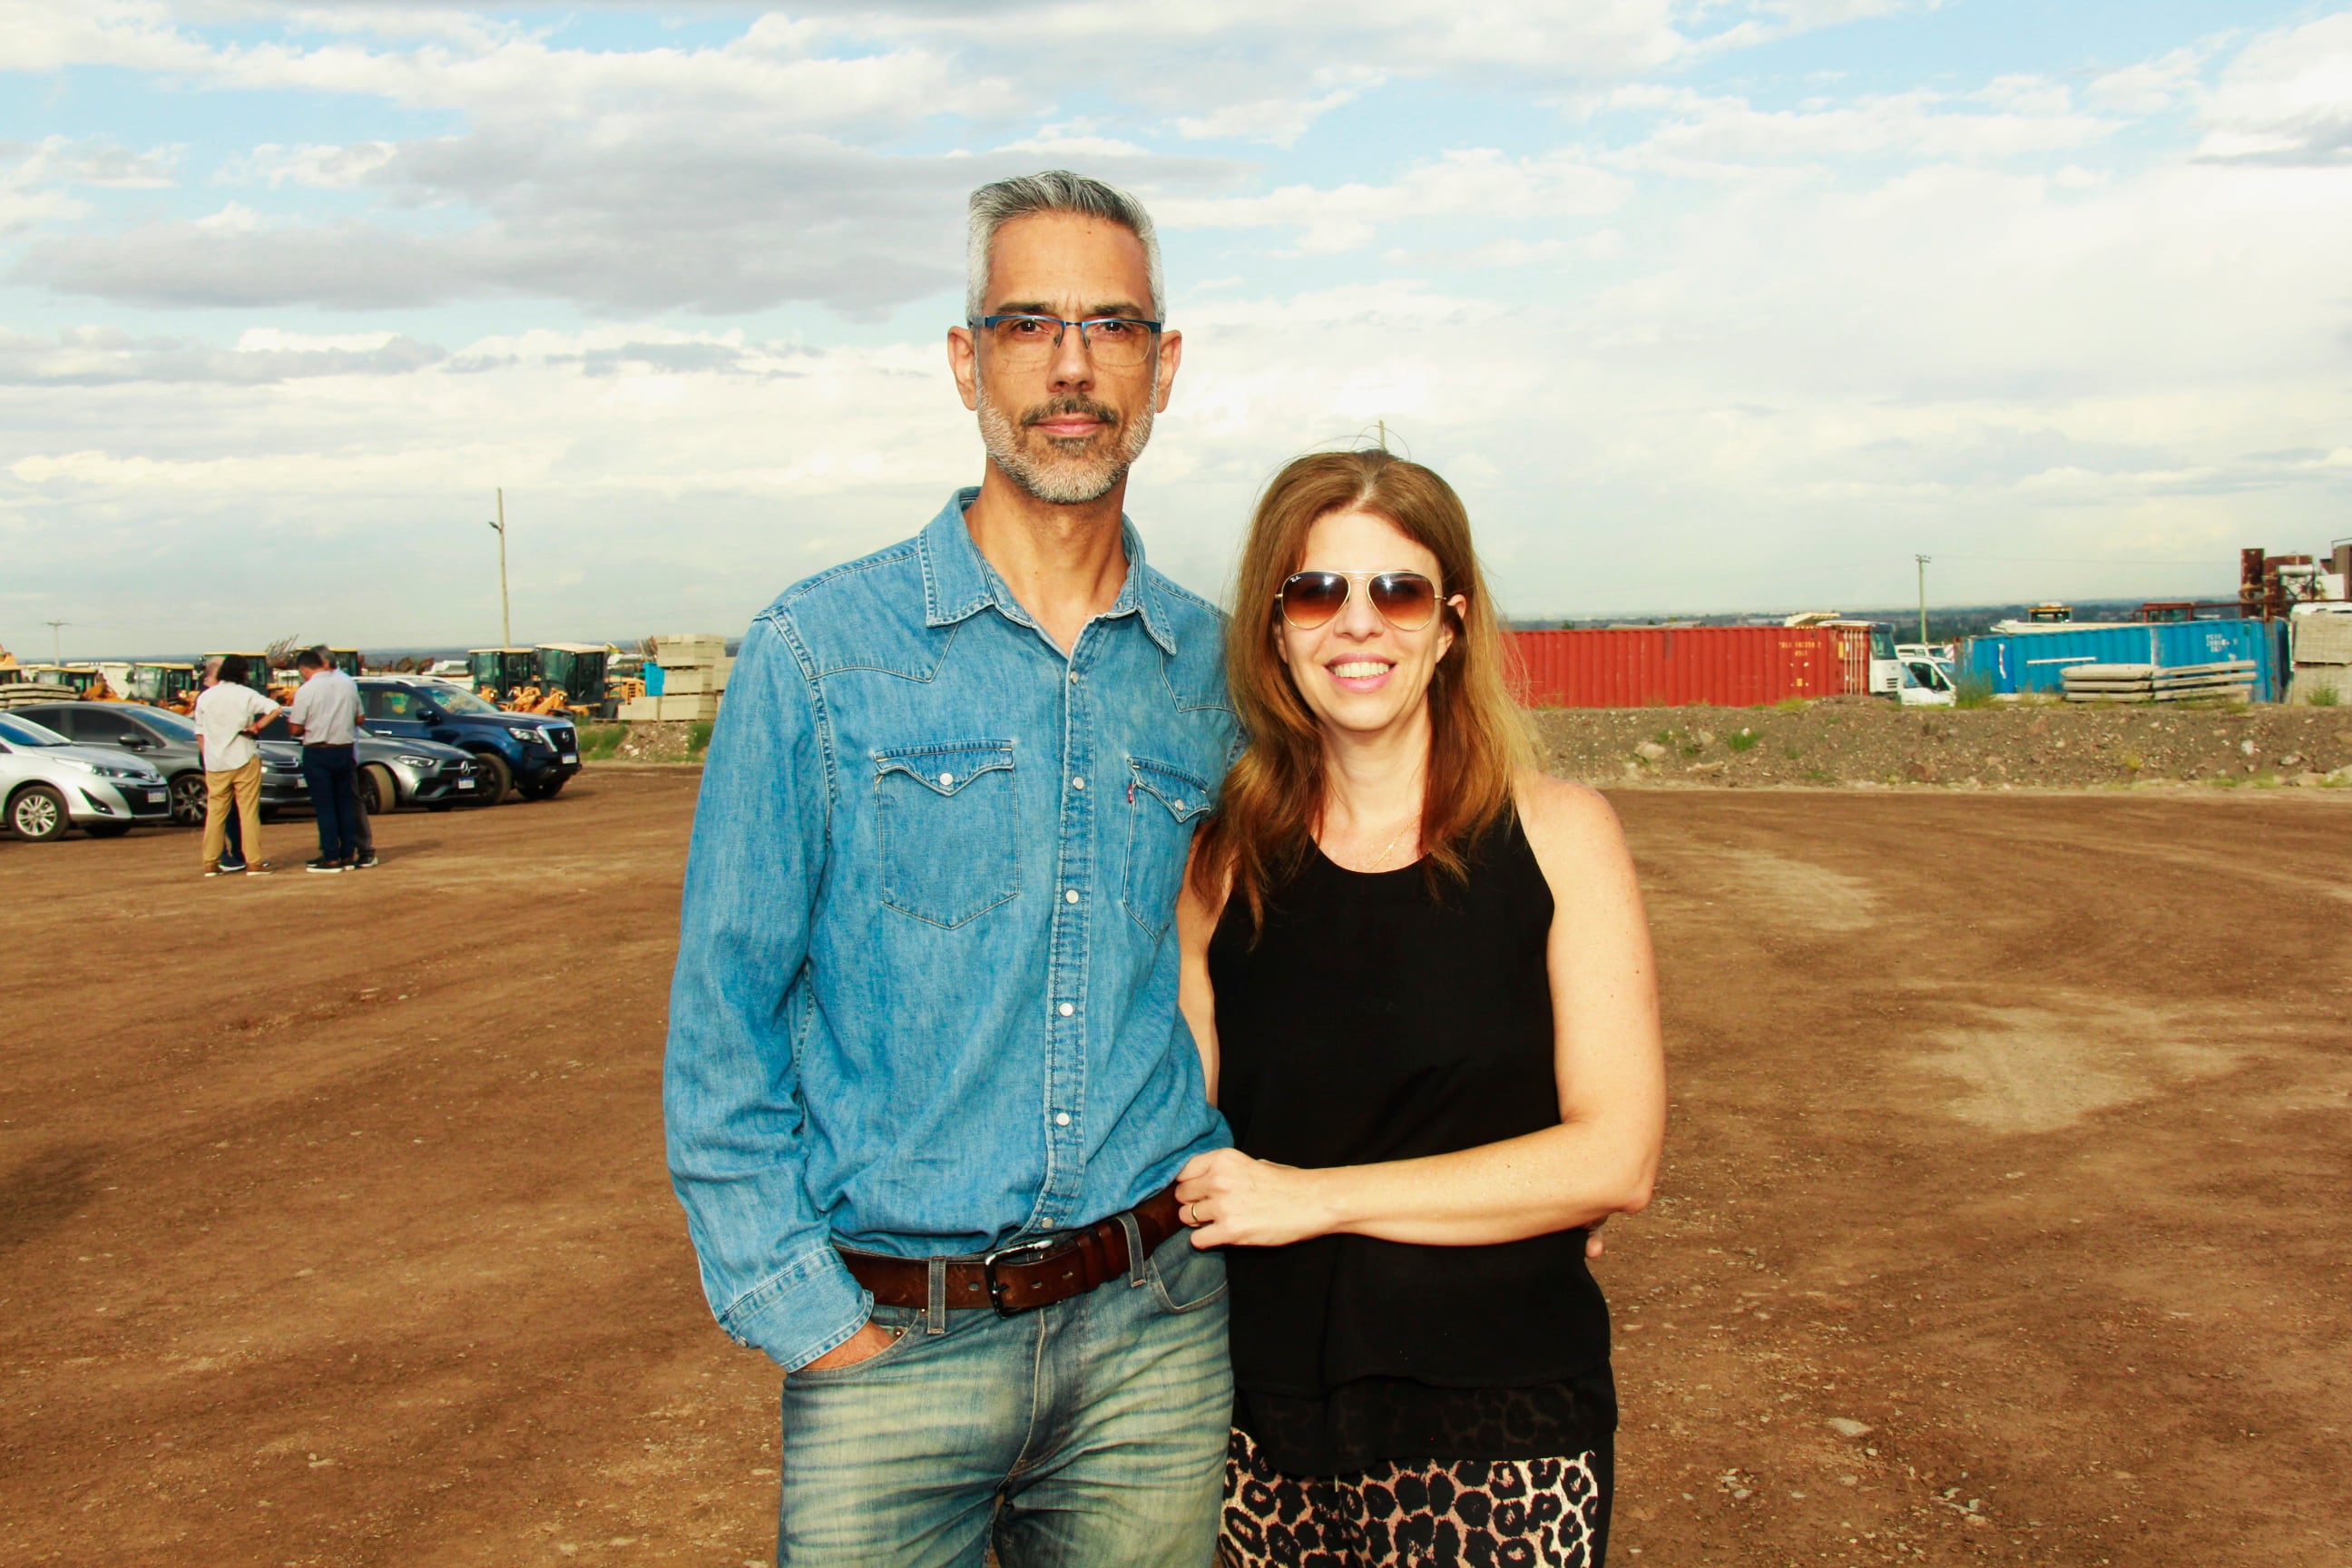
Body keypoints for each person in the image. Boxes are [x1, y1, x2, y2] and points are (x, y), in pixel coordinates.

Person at [665, 171, 1237, 1566]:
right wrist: (816, 1323)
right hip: (892, 1349)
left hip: (1155, 1344)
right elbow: (722, 1020)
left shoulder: (1217, 674)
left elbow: (1339, 938)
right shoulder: (818, 653)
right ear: (964, 360)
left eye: (1111, 325)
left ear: (1165, 368)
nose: (1071, 363)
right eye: (1029, 320)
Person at [1172, 451, 1667, 1568]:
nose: (1359, 625)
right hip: (1257, 1428)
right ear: (1275, 632)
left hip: (1497, 1427)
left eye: (1397, 591)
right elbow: (1171, 1140)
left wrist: (1312, 1200)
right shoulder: (1219, 869)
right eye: (1317, 592)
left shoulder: (1559, 838)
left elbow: (1615, 1159)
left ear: (1449, 628)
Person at [191, 654, 278, 877]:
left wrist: (208, 757)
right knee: (248, 811)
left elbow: (200, 732)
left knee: (216, 812)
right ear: (243, 672)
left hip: (216, 762)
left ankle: (211, 862)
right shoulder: (246, 694)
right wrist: (257, 727)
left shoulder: (206, 697)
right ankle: (253, 861)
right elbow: (275, 708)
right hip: (243, 757)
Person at [287, 648, 363, 872]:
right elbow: (360, 718)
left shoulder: (307, 690)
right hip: (344, 748)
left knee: (325, 806)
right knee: (344, 803)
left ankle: (331, 856)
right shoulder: (347, 684)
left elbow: (296, 727)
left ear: (304, 669)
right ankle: (348, 854)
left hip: (318, 749)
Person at [311, 646, 378, 868]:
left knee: (347, 801)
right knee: (342, 801)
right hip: (344, 748)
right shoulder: (342, 682)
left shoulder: (339, 683)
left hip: (337, 749)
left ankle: (358, 849)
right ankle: (339, 850)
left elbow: (358, 718)